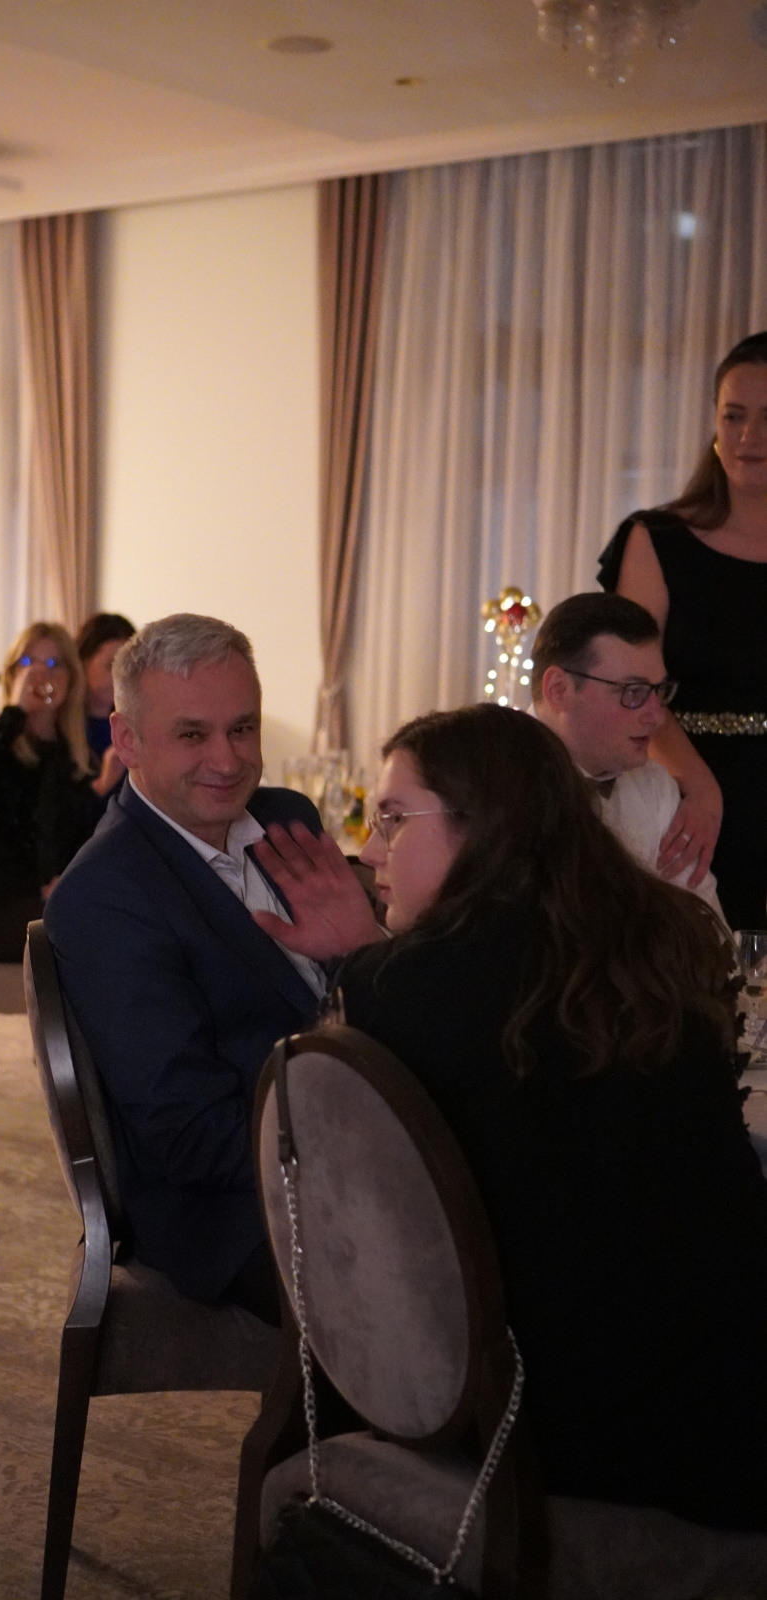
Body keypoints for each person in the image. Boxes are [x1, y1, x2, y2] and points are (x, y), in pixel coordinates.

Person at [258, 703, 767, 1532]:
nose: (371, 850)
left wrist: (366, 967)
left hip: (565, 1430)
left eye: (392, 819)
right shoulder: (661, 943)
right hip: (729, 1395)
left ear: (483, 826)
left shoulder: (405, 989)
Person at [45, 614, 340, 1322]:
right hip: (240, 1211)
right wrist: (358, 1150)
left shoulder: (286, 819)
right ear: (126, 740)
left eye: (242, 729)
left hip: (339, 1129)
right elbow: (188, 1135)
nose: (227, 759)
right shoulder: (107, 893)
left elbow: (348, 991)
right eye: (192, 735)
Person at [599, 330, 767, 929]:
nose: (749, 436)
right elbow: (630, 683)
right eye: (734, 415)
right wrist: (699, 785)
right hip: (684, 790)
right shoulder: (658, 539)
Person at [530, 592, 724, 917]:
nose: (657, 717)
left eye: (658, 691)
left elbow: (705, 924)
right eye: (633, 692)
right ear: (559, 690)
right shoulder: (491, 783)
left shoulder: (655, 787)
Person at [0, 622, 122, 963]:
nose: (41, 674)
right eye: (28, 663)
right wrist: (14, 712)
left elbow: (73, 833)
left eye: (54, 664)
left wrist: (102, 786)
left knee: (133, 916)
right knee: (108, 931)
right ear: (12, 674)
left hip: (49, 901)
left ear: (71, 679)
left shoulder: (72, 752)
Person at [75, 611, 136, 760]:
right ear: (84, 663)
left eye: (127, 668)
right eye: (110, 666)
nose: (121, 677)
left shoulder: (135, 725)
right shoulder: (63, 727)